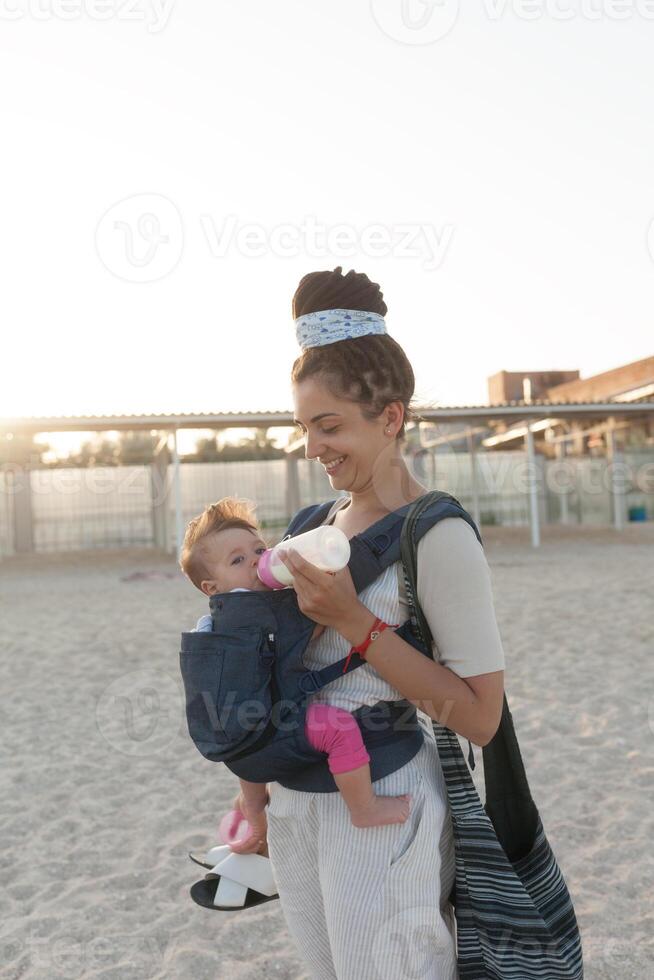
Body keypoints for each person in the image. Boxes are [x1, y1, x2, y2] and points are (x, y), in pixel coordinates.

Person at [227, 267, 506, 980]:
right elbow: (279, 670)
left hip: (383, 800)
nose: (314, 447)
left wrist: (357, 622)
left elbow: (478, 718)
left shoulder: (436, 535)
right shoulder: (311, 524)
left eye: (330, 426)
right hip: (296, 799)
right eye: (304, 428)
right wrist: (251, 795)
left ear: (391, 417)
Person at [179, 497, 413, 830]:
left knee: (247, 724)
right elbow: (316, 621)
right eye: (237, 560)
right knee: (338, 729)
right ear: (211, 587)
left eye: (260, 550)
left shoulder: (217, 622)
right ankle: (364, 808)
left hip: (237, 750)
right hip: (271, 732)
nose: (255, 562)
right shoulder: (258, 611)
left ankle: (253, 803)